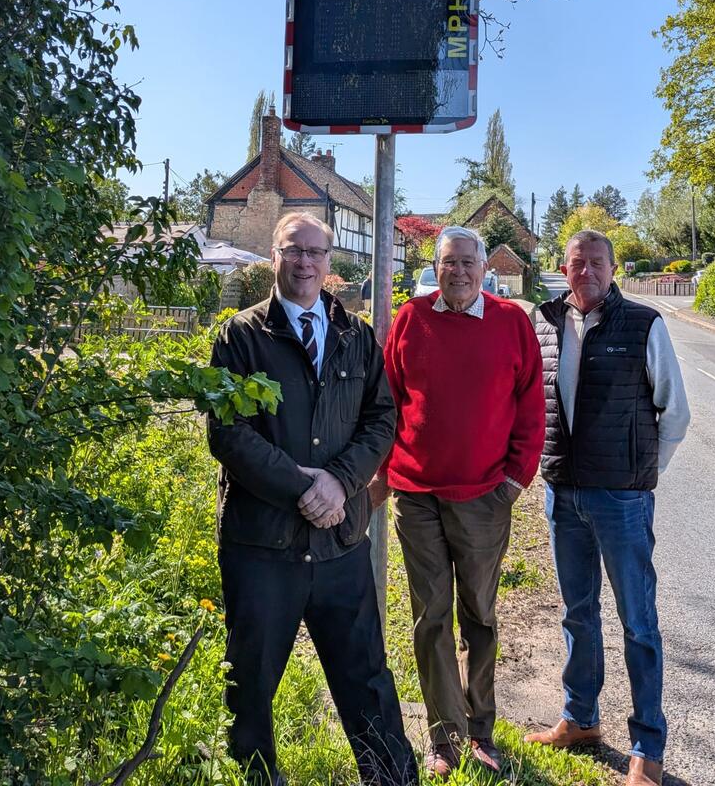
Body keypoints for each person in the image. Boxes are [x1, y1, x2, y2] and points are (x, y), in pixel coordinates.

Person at [208, 211, 417, 786]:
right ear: (273, 256)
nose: (305, 262)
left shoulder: (355, 336)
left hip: (340, 542)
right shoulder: (241, 337)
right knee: (249, 682)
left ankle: (391, 779)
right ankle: (256, 777)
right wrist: (305, 485)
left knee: (367, 678)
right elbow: (227, 434)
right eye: (293, 251)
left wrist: (340, 481)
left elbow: (382, 418)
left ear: (331, 263)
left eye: (315, 253)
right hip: (261, 545)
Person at [369, 225, 545, 778]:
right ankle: (444, 737)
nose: (460, 272)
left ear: (483, 268)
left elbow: (532, 407)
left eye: (469, 262)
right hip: (417, 495)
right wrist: (383, 473)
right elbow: (388, 402)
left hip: (484, 498)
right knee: (430, 619)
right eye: (449, 263)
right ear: (436, 266)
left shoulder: (512, 322)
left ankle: (482, 729)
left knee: (481, 617)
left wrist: (514, 482)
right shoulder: (410, 320)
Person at [526, 230, 690, 786]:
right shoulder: (542, 324)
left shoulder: (643, 323)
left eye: (597, 262)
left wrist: (644, 475)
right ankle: (581, 719)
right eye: (577, 262)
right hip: (562, 491)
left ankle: (647, 746)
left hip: (622, 497)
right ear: (564, 267)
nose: (586, 271)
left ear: (613, 268)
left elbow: (675, 413)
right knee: (577, 613)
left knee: (638, 621)